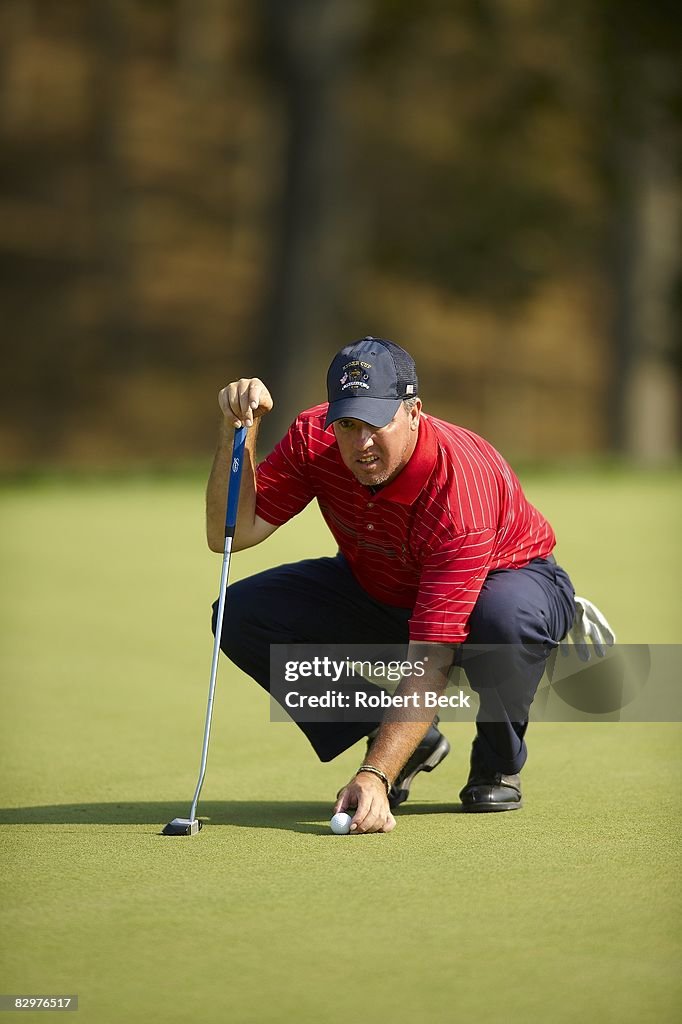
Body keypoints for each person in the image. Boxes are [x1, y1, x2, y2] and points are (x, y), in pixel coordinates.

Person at [206, 337, 613, 835]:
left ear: (414, 411)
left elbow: (431, 657)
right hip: (384, 581)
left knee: (503, 620)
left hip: (508, 580)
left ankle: (497, 761)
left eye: (377, 423)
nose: (361, 444)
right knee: (241, 612)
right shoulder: (314, 438)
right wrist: (238, 433)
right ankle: (398, 736)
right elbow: (232, 532)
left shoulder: (459, 490)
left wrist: (374, 775)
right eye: (348, 425)